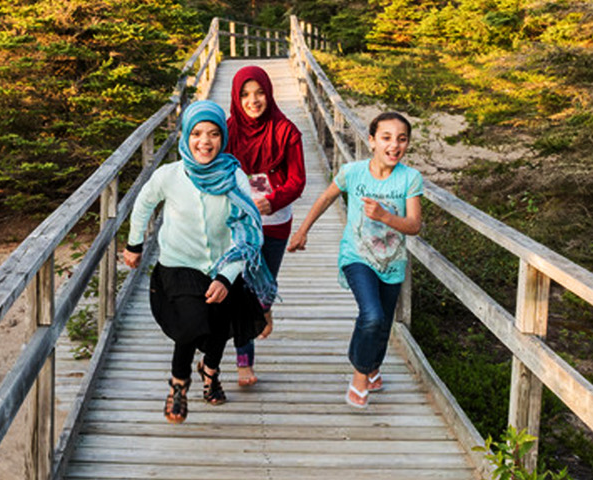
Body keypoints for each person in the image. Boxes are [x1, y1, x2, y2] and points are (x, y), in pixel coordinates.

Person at [122, 100, 279, 423]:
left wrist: (227, 275)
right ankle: (178, 385)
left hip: (223, 264)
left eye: (213, 134)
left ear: (223, 137)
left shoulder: (233, 176)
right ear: (185, 135)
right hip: (178, 264)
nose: (204, 142)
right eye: (196, 133)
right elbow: (143, 204)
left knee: (219, 326)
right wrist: (133, 245)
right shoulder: (170, 175)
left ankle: (210, 371)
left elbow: (248, 231)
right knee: (191, 324)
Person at [287, 112, 422, 408]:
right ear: (372, 141)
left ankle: (372, 366)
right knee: (371, 315)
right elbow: (325, 198)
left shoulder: (410, 178)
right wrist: (303, 231)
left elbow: (413, 225)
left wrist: (386, 216)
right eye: (386, 138)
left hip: (392, 261)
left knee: (383, 324)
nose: (394, 145)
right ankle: (360, 375)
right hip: (357, 256)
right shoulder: (353, 172)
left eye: (401, 139)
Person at [224, 65, 307, 388]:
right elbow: (211, 165)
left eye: (259, 93)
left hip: (275, 220)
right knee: (241, 288)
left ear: (269, 93)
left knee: (264, 286)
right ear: (236, 97)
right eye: (245, 94)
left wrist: (274, 200)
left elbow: (298, 179)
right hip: (238, 223)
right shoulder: (227, 130)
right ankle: (244, 361)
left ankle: (265, 308)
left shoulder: (286, 131)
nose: (253, 100)